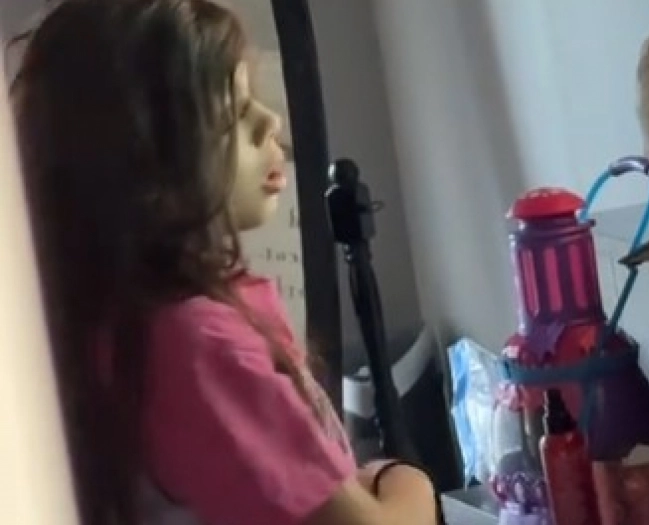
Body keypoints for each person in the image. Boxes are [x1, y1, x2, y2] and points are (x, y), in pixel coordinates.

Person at [10, 1, 438, 524]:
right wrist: (404, 479)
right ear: (149, 156)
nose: (270, 122)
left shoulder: (107, 325)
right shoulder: (196, 345)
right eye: (234, 112)